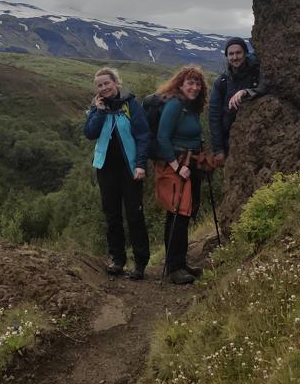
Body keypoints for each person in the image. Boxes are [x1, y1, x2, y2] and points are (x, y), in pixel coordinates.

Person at [84, 67, 151, 280]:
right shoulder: (97, 107)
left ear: (116, 83)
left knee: (134, 215)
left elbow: (143, 135)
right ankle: (117, 260)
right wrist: (100, 111)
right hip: (105, 168)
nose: (104, 88)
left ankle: (140, 263)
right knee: (112, 216)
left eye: (107, 83)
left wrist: (141, 164)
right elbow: (90, 133)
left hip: (130, 168)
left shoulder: (131, 104)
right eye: (99, 85)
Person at [154, 66, 208, 285]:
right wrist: (177, 166)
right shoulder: (175, 104)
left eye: (198, 84)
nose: (194, 88)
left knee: (184, 213)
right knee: (177, 212)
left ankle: (180, 262)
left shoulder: (191, 107)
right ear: (180, 84)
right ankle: (174, 267)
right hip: (177, 164)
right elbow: (162, 137)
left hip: (191, 162)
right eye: (190, 83)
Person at [208, 37, 266, 166]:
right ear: (227, 56)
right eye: (231, 54)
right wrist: (218, 149)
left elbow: (266, 85)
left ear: (245, 53)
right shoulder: (222, 82)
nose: (235, 57)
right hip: (232, 140)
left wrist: (246, 92)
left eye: (238, 53)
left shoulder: (257, 71)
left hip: (258, 136)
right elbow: (214, 116)